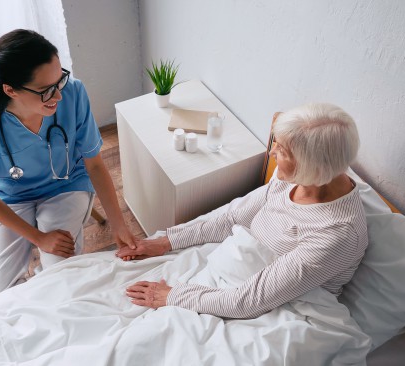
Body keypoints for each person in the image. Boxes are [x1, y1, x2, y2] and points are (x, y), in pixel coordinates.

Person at [119, 103, 367, 319]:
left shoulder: (337, 235)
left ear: (310, 167)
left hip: (281, 308)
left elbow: (248, 302)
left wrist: (173, 295)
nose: (271, 153)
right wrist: (166, 242)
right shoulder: (295, 178)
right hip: (239, 278)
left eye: (281, 151)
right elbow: (232, 219)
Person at [0, 29, 136, 297]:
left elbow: (94, 165)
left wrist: (119, 224)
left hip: (66, 186)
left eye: (59, 80)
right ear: (10, 90)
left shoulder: (73, 93)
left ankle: (44, 291)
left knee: (60, 276)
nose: (58, 96)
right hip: (9, 197)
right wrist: (38, 238)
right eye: (45, 90)